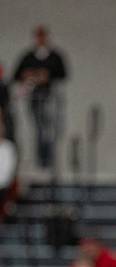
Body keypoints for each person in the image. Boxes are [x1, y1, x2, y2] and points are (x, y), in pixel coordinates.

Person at [13, 25, 67, 169]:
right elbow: (16, 75)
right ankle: (41, 160)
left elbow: (63, 74)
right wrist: (29, 75)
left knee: (49, 129)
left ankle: (49, 159)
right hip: (34, 98)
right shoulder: (28, 57)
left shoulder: (55, 56)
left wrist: (47, 76)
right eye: (38, 36)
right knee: (38, 129)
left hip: (50, 97)